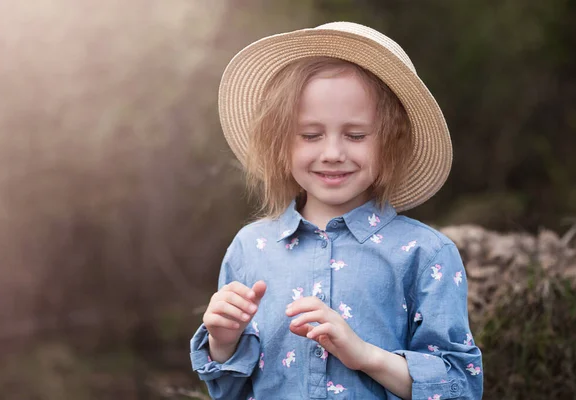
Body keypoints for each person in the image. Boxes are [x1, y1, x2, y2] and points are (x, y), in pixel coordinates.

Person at [190, 22, 483, 400]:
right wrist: (223, 342)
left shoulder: (425, 254)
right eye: (311, 135)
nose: (332, 152)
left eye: (356, 135)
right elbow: (228, 391)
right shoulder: (251, 248)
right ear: (281, 142)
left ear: (392, 142)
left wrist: (363, 355)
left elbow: (460, 387)